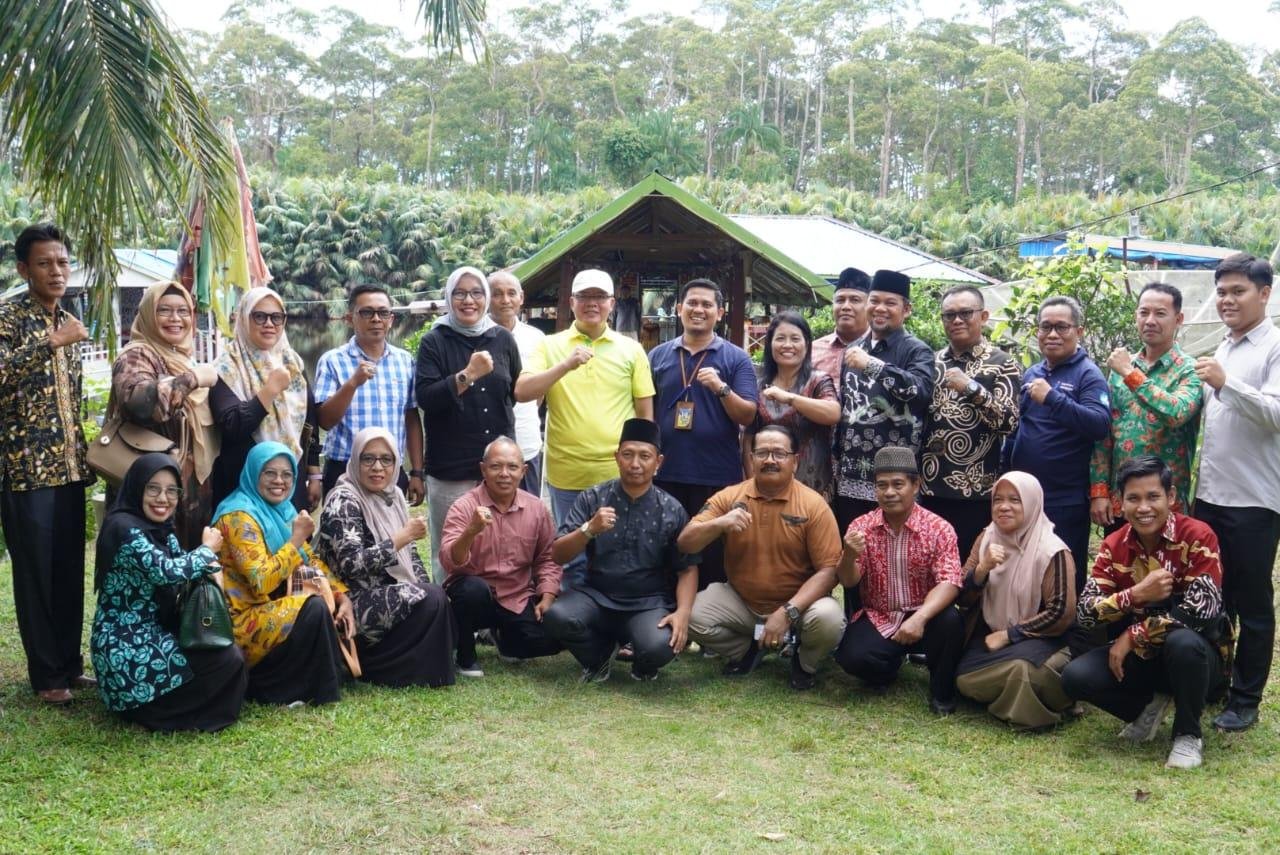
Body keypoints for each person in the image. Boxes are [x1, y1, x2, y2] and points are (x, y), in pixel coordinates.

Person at [1063, 456, 1232, 769]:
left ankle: (1188, 734)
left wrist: (1134, 634)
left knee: (1183, 643)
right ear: (1120, 502)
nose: (1143, 508)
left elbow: (1202, 611)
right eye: (1134, 498)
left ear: (1171, 497)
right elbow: (1085, 614)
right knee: (1075, 678)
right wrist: (1135, 595)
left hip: (1198, 659)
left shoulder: (1198, 536)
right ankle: (1146, 710)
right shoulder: (1114, 545)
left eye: (1153, 497)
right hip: (1146, 658)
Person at [0, 223, 95, 704]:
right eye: (44, 263)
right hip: (26, 471)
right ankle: (46, 676)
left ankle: (70, 665)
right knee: (36, 574)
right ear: (24, 269)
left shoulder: (68, 316)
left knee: (68, 570)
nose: (57, 271)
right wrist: (51, 343)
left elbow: (70, 400)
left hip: (69, 469)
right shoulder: (8, 318)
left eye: (62, 262)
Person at [515, 269, 655, 587]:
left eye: (600, 297)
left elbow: (644, 412)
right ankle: (576, 616)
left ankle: (615, 614)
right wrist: (566, 364)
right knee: (572, 558)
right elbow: (522, 392)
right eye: (585, 297)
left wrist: (644, 463)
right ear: (571, 302)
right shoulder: (550, 346)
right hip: (567, 472)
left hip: (618, 474)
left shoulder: (631, 349)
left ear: (612, 303)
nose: (592, 303)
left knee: (618, 553)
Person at [680, 425, 845, 691]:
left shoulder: (814, 505)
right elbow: (685, 543)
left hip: (798, 607)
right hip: (742, 602)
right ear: (751, 458)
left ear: (795, 461)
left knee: (829, 618)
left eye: (779, 453)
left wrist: (788, 612)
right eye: (762, 453)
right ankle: (749, 650)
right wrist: (719, 524)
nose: (770, 460)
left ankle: (804, 663)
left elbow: (829, 571)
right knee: (689, 615)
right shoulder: (730, 497)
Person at [91, 454, 247, 731]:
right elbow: (165, 571)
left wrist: (207, 564)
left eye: (171, 490)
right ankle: (149, 711)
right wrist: (206, 551)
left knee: (226, 653)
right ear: (137, 487)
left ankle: (178, 708)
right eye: (153, 489)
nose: (162, 498)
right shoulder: (124, 528)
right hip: (126, 648)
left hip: (155, 633)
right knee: (223, 658)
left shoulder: (162, 531)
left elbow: (184, 569)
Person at [1192, 252, 1280, 733]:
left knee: (1252, 605)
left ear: (1264, 293)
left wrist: (1228, 384)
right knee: (1212, 596)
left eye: (1238, 291)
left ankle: (1246, 700)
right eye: (1222, 291)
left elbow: (1276, 414)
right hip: (1210, 496)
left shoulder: (1274, 347)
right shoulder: (1224, 346)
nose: (1227, 300)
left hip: (1254, 500)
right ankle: (1215, 682)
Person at [543, 419, 698, 682]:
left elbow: (688, 569)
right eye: (627, 455)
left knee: (660, 646)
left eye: (644, 456)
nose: (635, 463)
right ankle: (599, 657)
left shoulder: (672, 509)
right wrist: (588, 529)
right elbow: (558, 555)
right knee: (557, 616)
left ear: (658, 462)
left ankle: (643, 664)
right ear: (617, 458)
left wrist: (683, 612)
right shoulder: (593, 498)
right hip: (597, 596)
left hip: (648, 602)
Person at [213, 442, 353, 706]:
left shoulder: (283, 511)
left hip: (271, 607)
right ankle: (283, 689)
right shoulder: (238, 516)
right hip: (240, 621)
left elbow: (310, 560)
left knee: (318, 601)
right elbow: (261, 580)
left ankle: (309, 685)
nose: (279, 481)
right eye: (270, 473)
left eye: (287, 474)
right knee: (311, 607)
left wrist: (341, 596)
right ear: (254, 473)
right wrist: (296, 538)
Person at [314, 428, 455, 688]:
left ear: (396, 463)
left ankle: (417, 670)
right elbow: (351, 565)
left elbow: (411, 557)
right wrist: (401, 538)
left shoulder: (393, 496)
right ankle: (373, 668)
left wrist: (427, 588)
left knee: (437, 598)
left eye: (386, 460)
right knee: (430, 598)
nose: (377, 467)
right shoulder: (343, 500)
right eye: (368, 459)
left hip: (385, 591)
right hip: (348, 603)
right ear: (355, 460)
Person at [835, 446, 965, 713]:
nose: (889, 492)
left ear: (915, 485)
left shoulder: (939, 528)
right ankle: (888, 668)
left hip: (927, 617)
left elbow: (950, 581)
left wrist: (920, 618)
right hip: (881, 616)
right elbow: (848, 582)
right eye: (881, 485)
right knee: (851, 658)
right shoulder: (861, 527)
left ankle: (942, 692)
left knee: (951, 621)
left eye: (897, 484)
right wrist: (848, 556)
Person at [648, 278, 757, 588]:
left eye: (707, 304)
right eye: (692, 303)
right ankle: (669, 615)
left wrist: (721, 389)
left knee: (712, 560)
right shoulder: (658, 356)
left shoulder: (736, 358)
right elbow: (646, 412)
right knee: (667, 553)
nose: (699, 309)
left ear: (719, 313)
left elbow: (748, 415)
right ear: (678, 309)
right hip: (667, 473)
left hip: (716, 476)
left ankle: (708, 616)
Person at [416, 266, 522, 583]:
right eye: (460, 293)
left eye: (476, 292)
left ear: (485, 298)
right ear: (449, 298)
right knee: (450, 548)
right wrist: (468, 375)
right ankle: (448, 609)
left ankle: (497, 606)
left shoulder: (502, 338)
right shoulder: (434, 341)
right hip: (451, 466)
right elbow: (426, 398)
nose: (468, 300)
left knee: (500, 544)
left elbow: (513, 393)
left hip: (497, 467)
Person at [954, 472, 1078, 730]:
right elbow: (962, 598)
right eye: (998, 499)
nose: (1003, 507)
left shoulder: (1052, 550)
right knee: (963, 677)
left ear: (1032, 503)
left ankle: (1037, 704)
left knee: (1022, 671)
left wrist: (1009, 635)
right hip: (992, 638)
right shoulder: (986, 538)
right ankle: (1031, 697)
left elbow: (1061, 613)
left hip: (1043, 641)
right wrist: (982, 569)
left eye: (1015, 500)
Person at [1003, 296, 1110, 587]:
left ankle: (1067, 619)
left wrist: (1052, 398)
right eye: (1045, 327)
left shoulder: (1089, 374)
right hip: (1025, 497)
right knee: (1025, 572)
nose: (1052, 334)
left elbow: (1099, 424)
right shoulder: (1033, 373)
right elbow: (1019, 427)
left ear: (1079, 331)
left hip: (1064, 499)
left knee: (1063, 575)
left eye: (1061, 327)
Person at [108, 280, 221, 548]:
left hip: (188, 487)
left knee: (189, 559)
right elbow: (138, 403)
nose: (175, 319)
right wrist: (192, 379)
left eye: (183, 311)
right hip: (151, 485)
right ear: (148, 314)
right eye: (164, 310)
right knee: (153, 559)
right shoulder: (136, 355)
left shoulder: (182, 357)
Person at [441, 437, 563, 677]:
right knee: (471, 591)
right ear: (483, 469)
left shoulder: (536, 508)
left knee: (549, 641)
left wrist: (547, 594)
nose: (504, 474)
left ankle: (505, 638)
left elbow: (547, 558)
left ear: (523, 471)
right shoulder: (464, 506)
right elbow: (449, 561)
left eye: (512, 467)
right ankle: (465, 654)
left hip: (516, 596)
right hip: (475, 593)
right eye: (496, 466)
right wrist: (471, 531)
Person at [1089, 283, 1201, 533]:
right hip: (1122, 502)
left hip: (1166, 502)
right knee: (1118, 558)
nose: (1150, 321)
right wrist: (1099, 491)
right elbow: (1105, 433)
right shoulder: (1120, 369)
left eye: (1160, 313)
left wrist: (1129, 373)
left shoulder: (1190, 370)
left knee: (1168, 560)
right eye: (1144, 312)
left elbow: (1177, 413)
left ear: (1178, 319)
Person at [920, 285, 1021, 561]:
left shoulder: (1003, 363)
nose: (957, 320)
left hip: (976, 493)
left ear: (983, 316)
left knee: (971, 571)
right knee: (930, 568)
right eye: (949, 315)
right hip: (929, 490)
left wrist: (971, 388)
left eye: (965, 313)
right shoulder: (931, 362)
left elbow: (1008, 422)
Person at [833, 269, 936, 532]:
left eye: (890, 303)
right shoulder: (854, 348)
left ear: (906, 309)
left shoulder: (917, 350)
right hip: (850, 477)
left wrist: (873, 366)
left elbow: (920, 393)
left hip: (895, 481)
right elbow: (846, 409)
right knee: (854, 547)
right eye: (875, 300)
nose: (880, 308)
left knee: (896, 549)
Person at [211, 287, 322, 512]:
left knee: (292, 533)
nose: (269, 324)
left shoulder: (292, 362)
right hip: (244, 484)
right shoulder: (226, 366)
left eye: (276, 317)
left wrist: (314, 473)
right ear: (244, 318)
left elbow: (309, 420)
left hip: (290, 478)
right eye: (259, 316)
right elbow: (232, 425)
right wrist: (270, 390)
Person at [315, 283, 424, 504]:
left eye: (383, 313)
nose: (376, 319)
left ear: (391, 319)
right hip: (344, 467)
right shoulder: (332, 361)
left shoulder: (404, 361)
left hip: (390, 468)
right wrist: (352, 383)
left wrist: (417, 472)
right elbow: (324, 421)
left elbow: (411, 418)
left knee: (394, 527)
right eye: (367, 312)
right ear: (350, 318)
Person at [745, 311, 840, 499]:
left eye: (795, 339)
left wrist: (790, 398)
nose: (787, 345)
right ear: (770, 344)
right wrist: (752, 484)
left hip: (813, 484)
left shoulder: (818, 381)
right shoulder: (758, 385)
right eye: (780, 338)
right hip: (767, 484)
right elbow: (748, 438)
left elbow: (833, 413)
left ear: (807, 344)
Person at [488, 270, 546, 495]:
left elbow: (539, 393)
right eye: (497, 294)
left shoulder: (537, 337)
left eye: (511, 293)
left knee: (528, 510)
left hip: (527, 440)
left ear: (521, 297)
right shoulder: (476, 335)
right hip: (487, 446)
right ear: (487, 298)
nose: (505, 300)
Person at [811, 266, 870, 390]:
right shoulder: (811, 352)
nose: (846, 306)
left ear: (869, 306)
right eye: (840, 300)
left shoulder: (884, 349)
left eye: (855, 300)